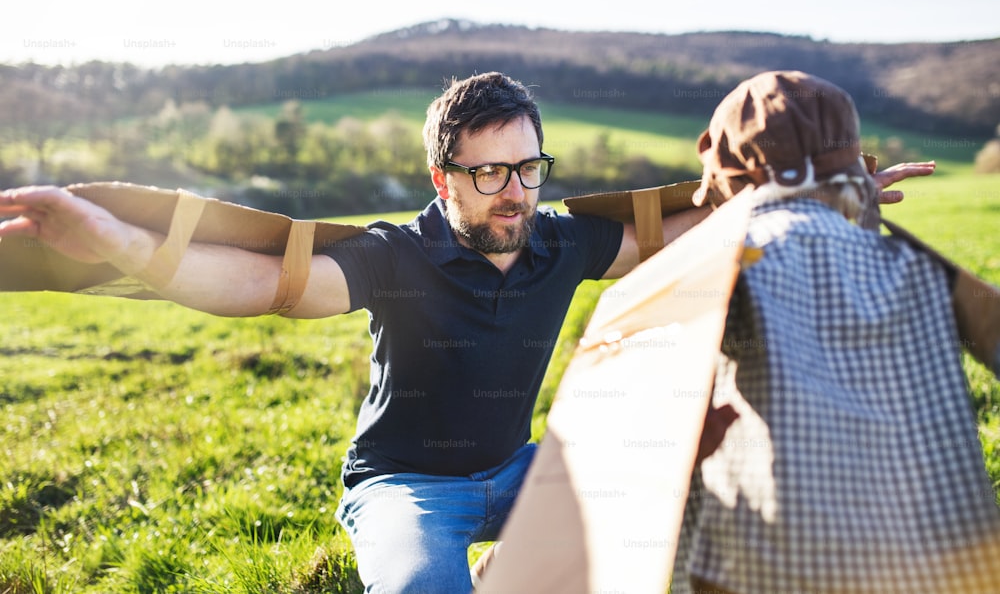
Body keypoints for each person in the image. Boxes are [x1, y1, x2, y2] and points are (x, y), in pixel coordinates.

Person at [0, 71, 932, 593]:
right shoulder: (396, 253)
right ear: (444, 180)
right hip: (407, 487)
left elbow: (683, 234)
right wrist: (121, 241)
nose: (517, 190)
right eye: (491, 174)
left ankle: (520, 565)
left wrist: (824, 195)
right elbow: (267, 287)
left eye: (528, 166)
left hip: (523, 470)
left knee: (688, 508)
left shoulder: (560, 237)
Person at [672, 70, 1000, 594]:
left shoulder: (717, 267)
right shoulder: (919, 267)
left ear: (726, 180)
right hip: (941, 569)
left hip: (760, 568)